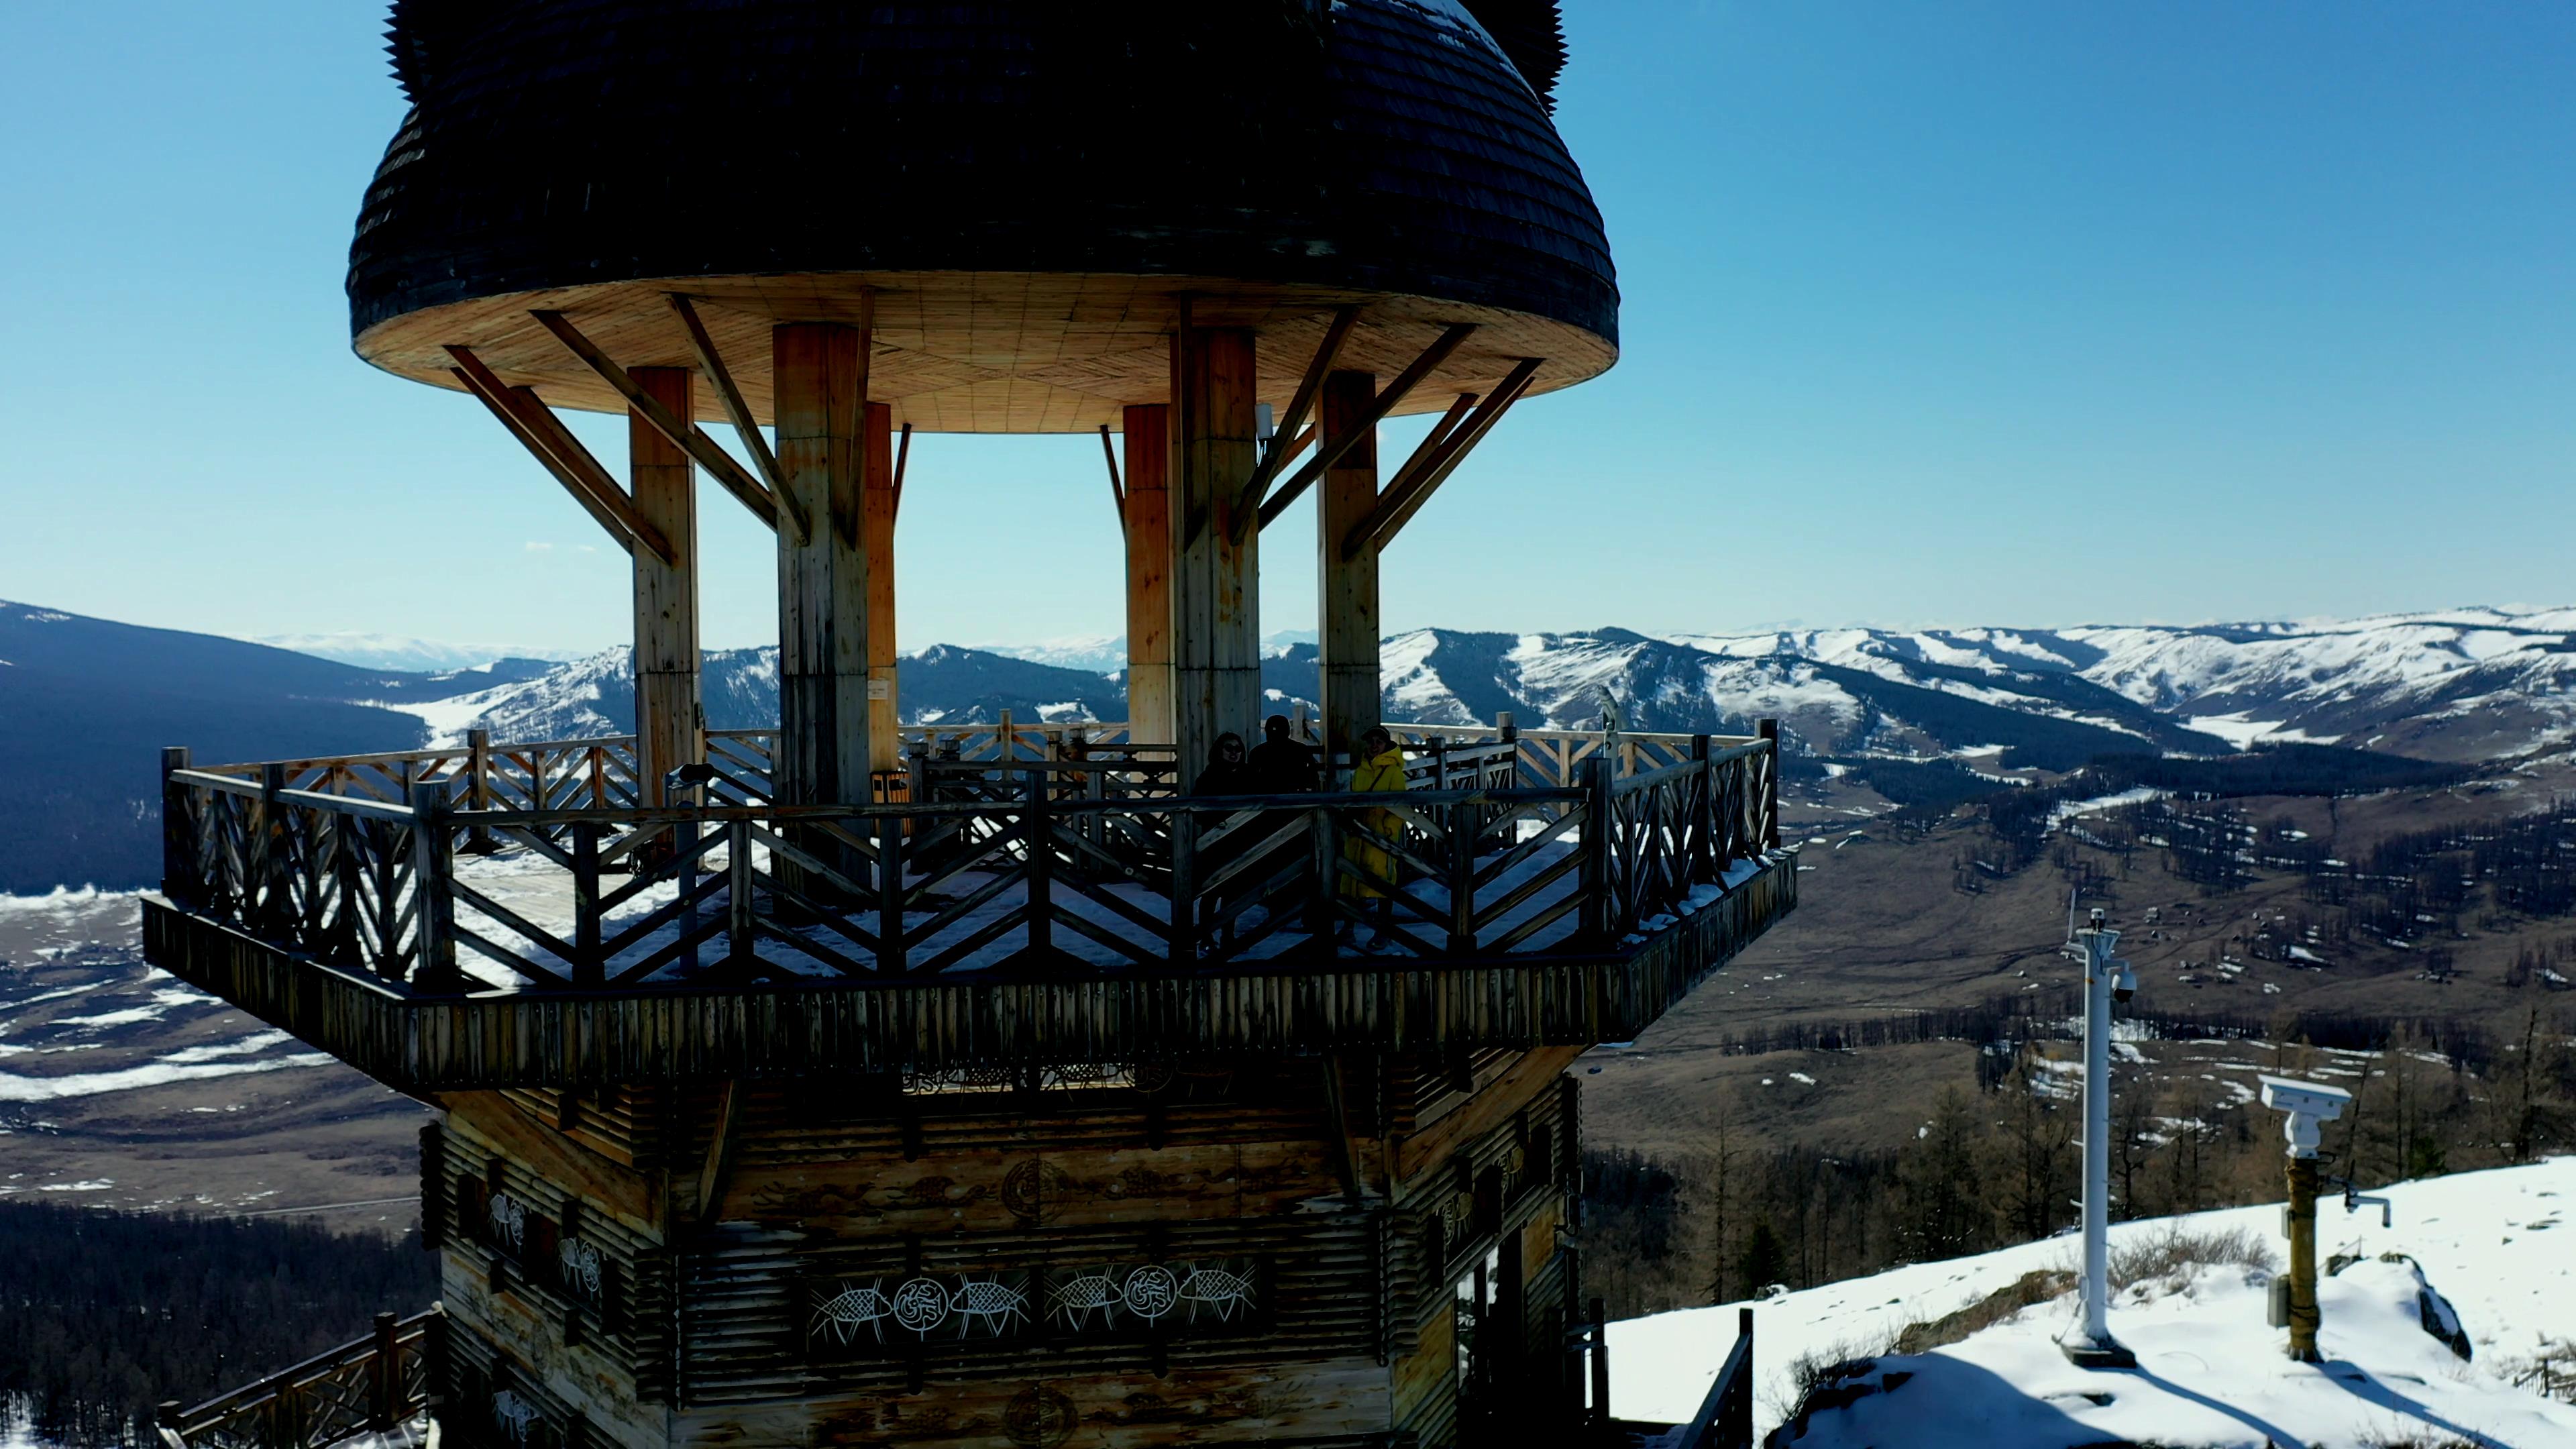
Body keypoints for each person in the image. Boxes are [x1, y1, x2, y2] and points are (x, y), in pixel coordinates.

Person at [1340, 725, 1409, 947]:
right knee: (1351, 882)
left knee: (1383, 884)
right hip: (1358, 833)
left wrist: (1388, 830)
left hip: (1380, 836)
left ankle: (1383, 931)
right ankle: (1348, 929)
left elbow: (1400, 805)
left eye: (1379, 741)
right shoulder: (1360, 771)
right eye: (1371, 742)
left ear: (1387, 745)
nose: (1374, 746)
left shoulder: (1394, 772)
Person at [1246, 714, 1318, 794]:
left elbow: (1251, 780)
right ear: (1288, 731)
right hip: (1296, 795)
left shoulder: (1258, 752)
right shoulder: (1301, 749)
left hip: (1267, 797)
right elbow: (1313, 777)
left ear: (1267, 731)